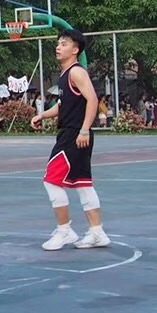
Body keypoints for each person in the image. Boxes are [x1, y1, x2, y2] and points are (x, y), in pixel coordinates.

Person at [30, 29, 110, 251]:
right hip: (74, 133)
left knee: (51, 180)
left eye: (64, 44)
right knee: (83, 184)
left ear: (75, 50)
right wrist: (42, 115)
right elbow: (63, 105)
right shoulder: (66, 75)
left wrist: (84, 130)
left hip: (74, 134)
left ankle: (64, 230)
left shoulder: (76, 72)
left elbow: (92, 99)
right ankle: (97, 233)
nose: (58, 47)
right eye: (58, 43)